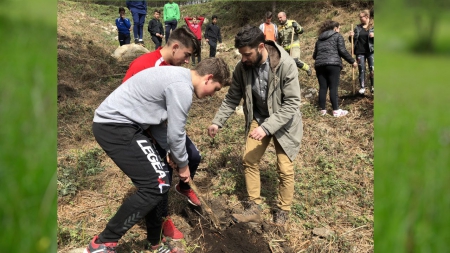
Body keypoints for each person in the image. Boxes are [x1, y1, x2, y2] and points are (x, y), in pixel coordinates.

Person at [84, 57, 231, 253]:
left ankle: (155, 243)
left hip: (129, 126)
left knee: (159, 182)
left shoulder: (178, 77)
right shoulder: (182, 87)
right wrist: (184, 165)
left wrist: (170, 151)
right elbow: (177, 133)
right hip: (115, 126)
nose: (213, 95)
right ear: (208, 78)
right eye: (216, 88)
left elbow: (160, 124)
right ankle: (102, 243)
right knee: (157, 183)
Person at [207, 25, 303, 226]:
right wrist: (218, 121)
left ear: (261, 47)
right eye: (241, 54)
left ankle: (283, 209)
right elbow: (233, 97)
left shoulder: (285, 64)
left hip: (284, 122)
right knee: (249, 159)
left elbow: (292, 103)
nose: (243, 59)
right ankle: (254, 207)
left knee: (284, 168)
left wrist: (268, 128)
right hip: (258, 118)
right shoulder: (242, 68)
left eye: (247, 54)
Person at [122, 27, 201, 241]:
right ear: (175, 47)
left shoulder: (177, 70)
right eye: (186, 55)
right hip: (143, 130)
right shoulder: (144, 65)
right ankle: (163, 220)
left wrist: (170, 144)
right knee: (162, 176)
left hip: (164, 128)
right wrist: (161, 144)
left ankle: (184, 185)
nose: (187, 61)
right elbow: (129, 105)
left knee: (192, 155)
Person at [313, 20, 357, 117]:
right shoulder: (337, 36)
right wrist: (352, 61)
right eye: (339, 28)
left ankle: (322, 111)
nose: (339, 30)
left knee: (323, 87)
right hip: (333, 64)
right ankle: (336, 111)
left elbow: (314, 56)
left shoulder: (319, 39)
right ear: (335, 28)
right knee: (333, 87)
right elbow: (342, 51)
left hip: (319, 65)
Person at [277, 11, 312, 76]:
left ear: (285, 16)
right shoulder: (279, 28)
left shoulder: (292, 22)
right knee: (286, 64)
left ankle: (307, 68)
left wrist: (296, 27)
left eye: (280, 17)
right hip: (285, 49)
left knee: (294, 60)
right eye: (278, 18)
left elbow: (301, 31)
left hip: (294, 47)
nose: (279, 19)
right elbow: (279, 40)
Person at [349, 9, 374, 94]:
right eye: (359, 17)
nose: (360, 19)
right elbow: (352, 40)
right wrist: (351, 36)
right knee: (361, 69)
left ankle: (373, 86)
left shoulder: (373, 27)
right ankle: (362, 87)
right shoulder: (357, 28)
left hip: (370, 51)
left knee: (372, 69)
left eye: (361, 17)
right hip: (360, 51)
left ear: (367, 17)